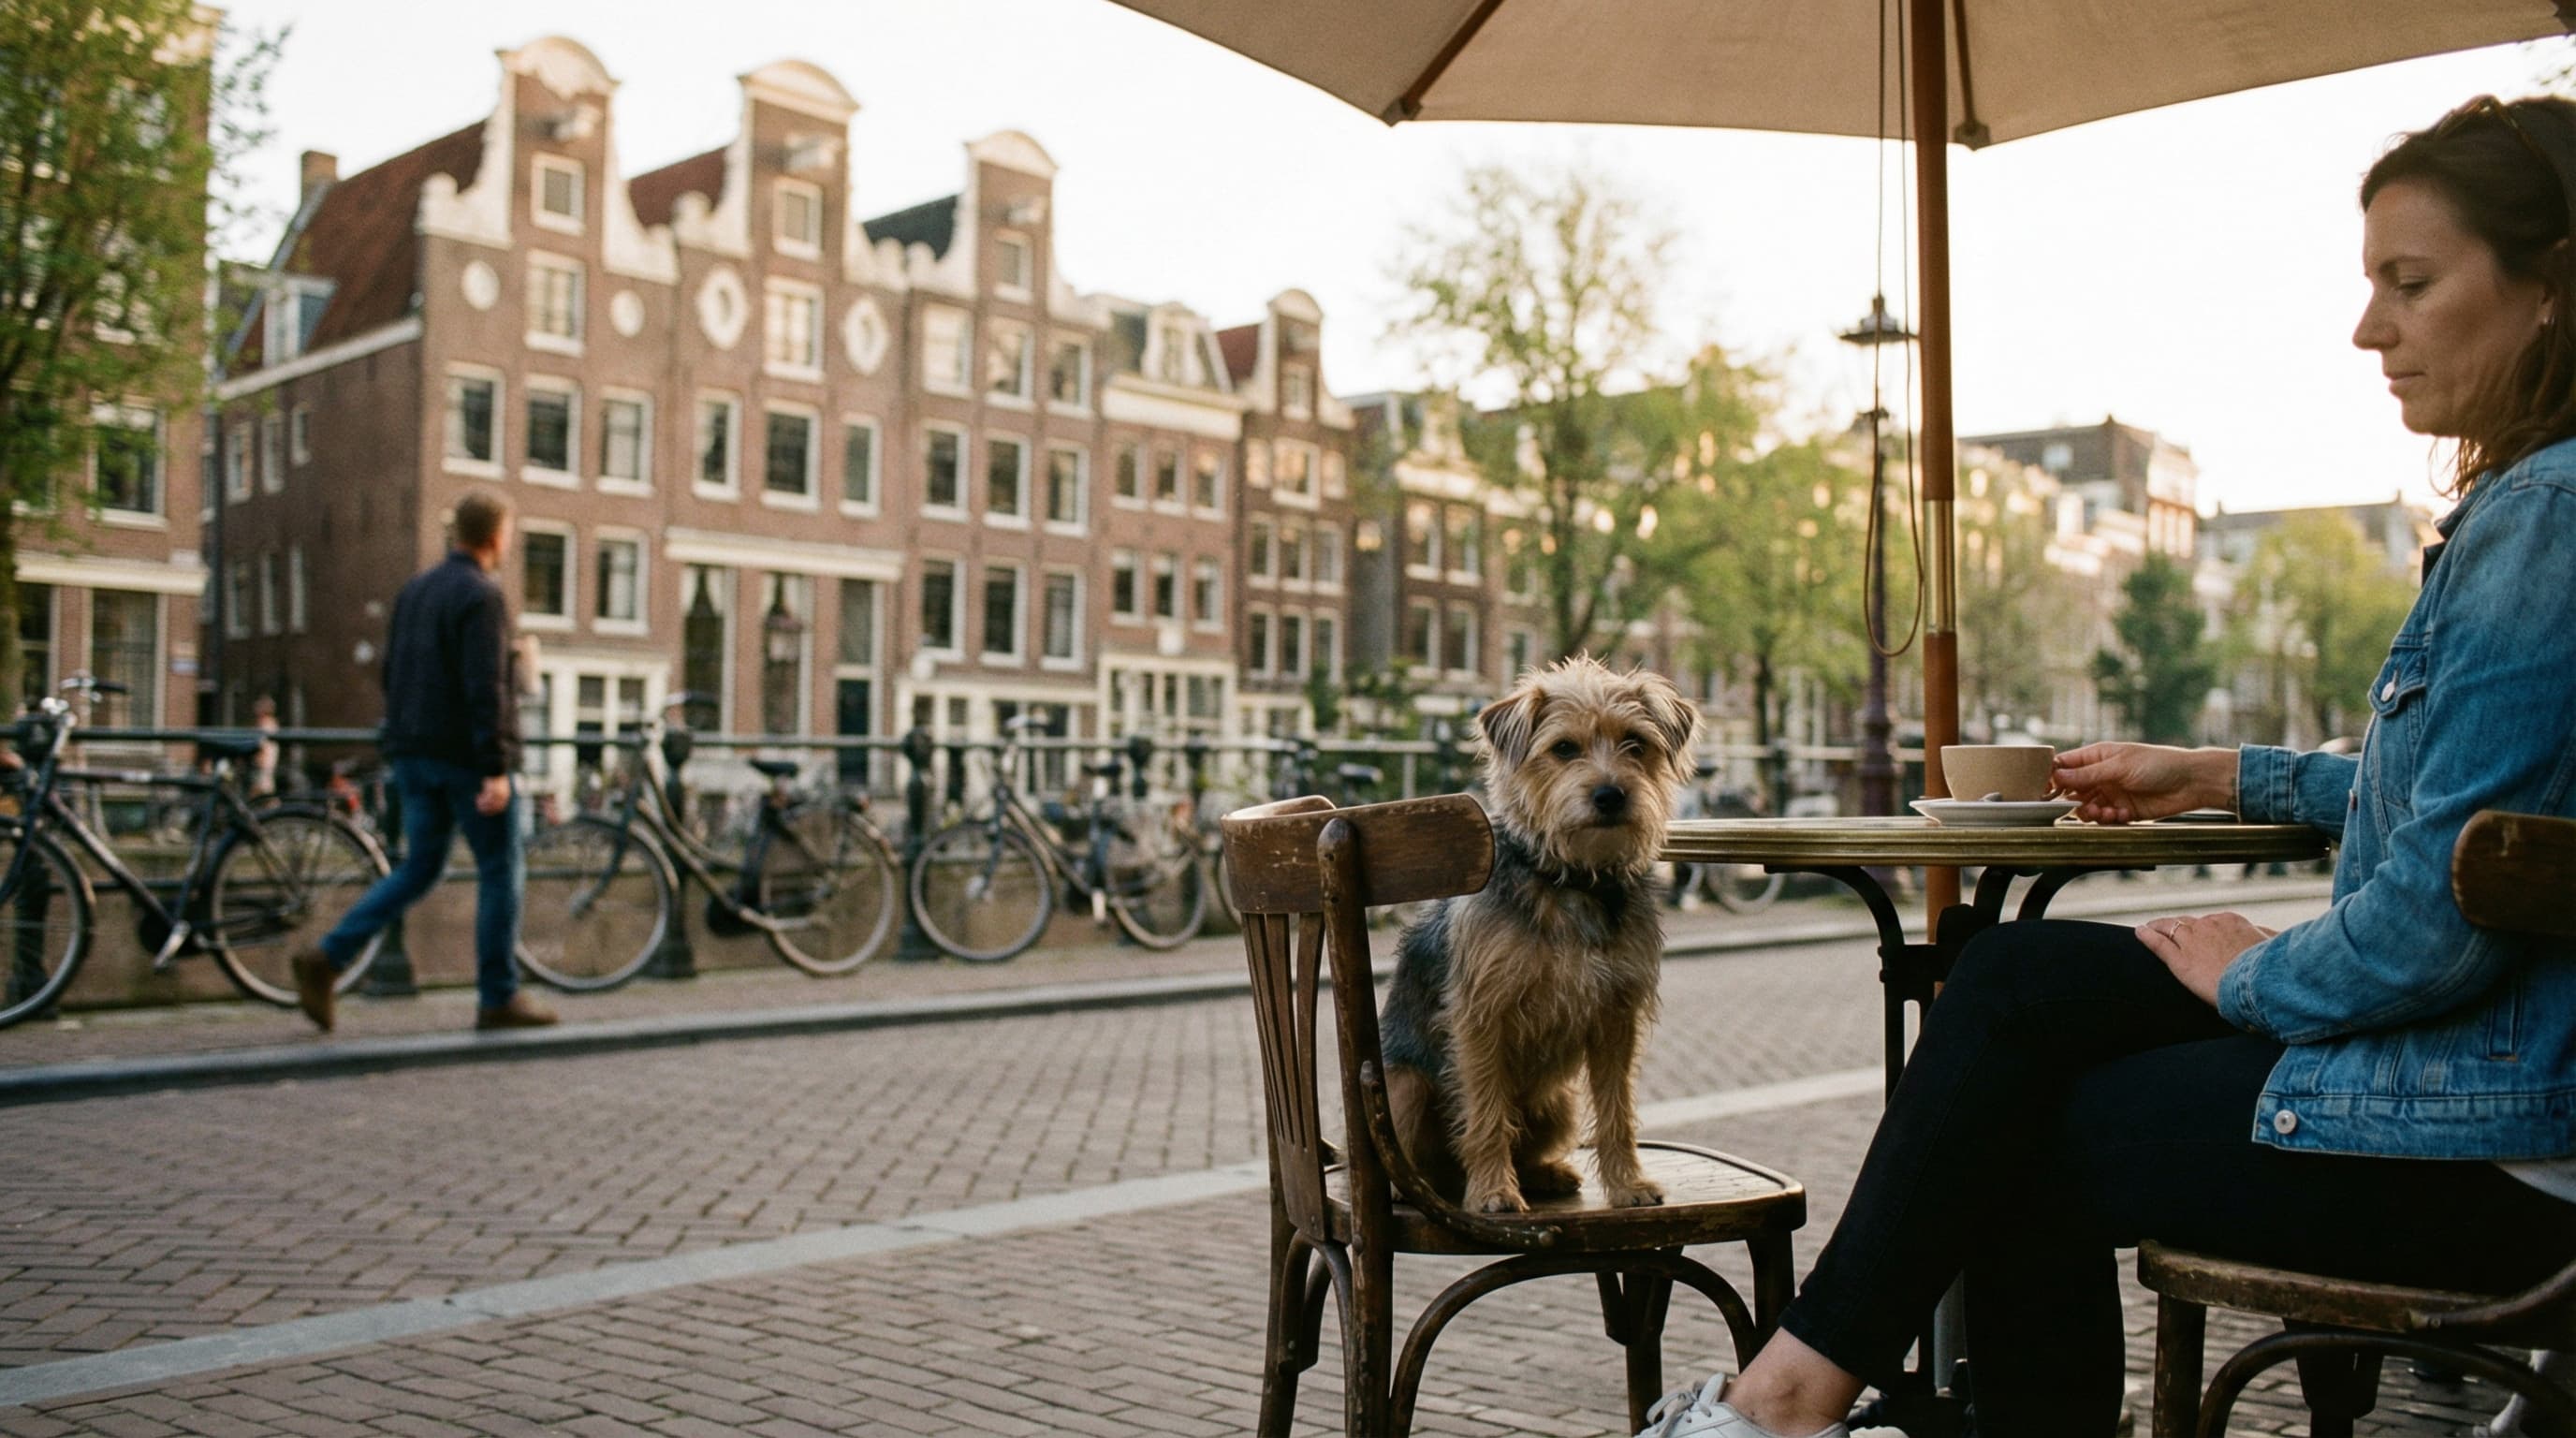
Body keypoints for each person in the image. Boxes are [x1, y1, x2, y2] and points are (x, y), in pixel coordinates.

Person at [1640, 94, 2576, 1438]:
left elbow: (2436, 923)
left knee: (2008, 1124)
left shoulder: (2543, 517)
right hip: (2503, 1085)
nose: (2368, 328)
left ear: (2550, 286)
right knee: (2012, 979)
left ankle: (1780, 1404)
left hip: (2498, 1138)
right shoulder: (2539, 508)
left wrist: (2249, 976)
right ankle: (1787, 1401)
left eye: (2410, 283)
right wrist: (2217, 776)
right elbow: (2478, 804)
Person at [293, 490, 555, 1034]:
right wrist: (495, 767)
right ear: (496, 536)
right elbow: (485, 687)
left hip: (413, 753)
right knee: (501, 868)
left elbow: (393, 673)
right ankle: (498, 996)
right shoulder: (482, 595)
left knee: (420, 867)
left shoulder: (415, 591)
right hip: (465, 759)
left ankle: (329, 956)